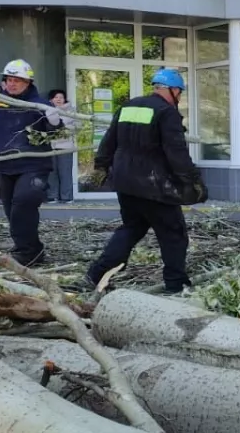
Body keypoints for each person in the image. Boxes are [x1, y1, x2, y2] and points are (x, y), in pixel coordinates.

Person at [83, 69, 207, 294]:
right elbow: (176, 152)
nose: (179, 97)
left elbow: (108, 141)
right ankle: (176, 284)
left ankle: (96, 274)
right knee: (173, 234)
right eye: (179, 92)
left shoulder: (128, 106)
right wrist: (193, 180)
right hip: (154, 185)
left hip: (125, 183)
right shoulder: (166, 112)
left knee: (131, 228)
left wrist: (101, 166)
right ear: (173, 89)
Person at [0, 58, 55, 266]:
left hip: (34, 166)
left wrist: (55, 121)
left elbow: (52, 133)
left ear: (28, 83)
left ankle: (26, 252)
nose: (12, 84)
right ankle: (32, 250)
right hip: (5, 166)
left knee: (22, 206)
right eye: (9, 79)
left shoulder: (39, 105)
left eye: (17, 80)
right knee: (11, 212)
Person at [44, 88, 78, 203]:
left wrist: (64, 130)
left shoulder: (71, 111)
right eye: (56, 97)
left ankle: (67, 197)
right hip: (50, 146)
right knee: (51, 173)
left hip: (66, 146)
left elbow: (77, 126)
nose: (58, 99)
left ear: (64, 99)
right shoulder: (46, 110)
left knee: (65, 172)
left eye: (61, 97)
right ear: (51, 99)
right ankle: (53, 196)